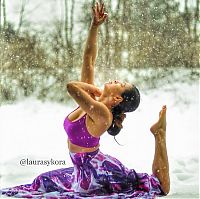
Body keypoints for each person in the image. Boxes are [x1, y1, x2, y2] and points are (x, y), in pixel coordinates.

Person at [0, 2, 170, 198]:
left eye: (120, 84)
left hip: (98, 174)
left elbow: (71, 87)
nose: (116, 79)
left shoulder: (103, 115)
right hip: (79, 171)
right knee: (40, 181)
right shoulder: (91, 102)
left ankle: (159, 134)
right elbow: (88, 60)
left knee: (158, 187)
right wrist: (94, 27)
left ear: (117, 98)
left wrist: (95, 89)